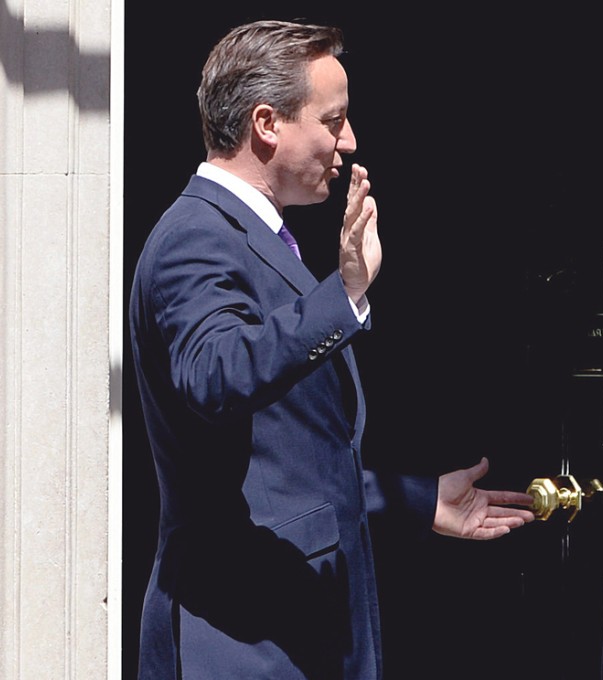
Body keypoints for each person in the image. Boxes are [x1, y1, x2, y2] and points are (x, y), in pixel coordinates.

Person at [129, 20, 534, 680]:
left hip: (295, 628)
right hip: (244, 639)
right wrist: (342, 295)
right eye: (334, 119)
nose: (349, 140)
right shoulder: (195, 238)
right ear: (267, 124)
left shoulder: (252, 237)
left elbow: (281, 464)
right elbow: (215, 377)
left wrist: (416, 499)